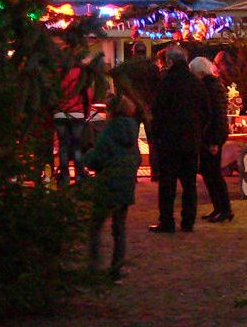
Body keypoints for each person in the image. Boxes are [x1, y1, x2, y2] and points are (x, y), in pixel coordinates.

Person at [148, 45, 209, 233]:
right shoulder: (196, 83)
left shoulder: (166, 83)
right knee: (189, 184)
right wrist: (198, 131)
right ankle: (188, 221)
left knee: (167, 185)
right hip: (190, 142)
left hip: (169, 142)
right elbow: (207, 112)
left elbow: (157, 112)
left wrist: (157, 136)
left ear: (170, 62)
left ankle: (167, 221)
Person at [83, 95, 141, 283]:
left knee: (95, 226)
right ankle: (116, 269)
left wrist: (88, 156)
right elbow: (137, 159)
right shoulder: (132, 132)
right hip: (125, 186)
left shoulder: (108, 132)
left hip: (107, 184)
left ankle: (93, 266)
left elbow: (96, 159)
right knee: (119, 228)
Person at [189, 57, 233, 223]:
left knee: (212, 173)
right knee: (210, 172)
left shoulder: (209, 88)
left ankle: (224, 208)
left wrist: (214, 140)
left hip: (212, 136)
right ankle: (220, 207)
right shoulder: (214, 86)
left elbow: (214, 116)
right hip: (212, 135)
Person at [109, 41, 161, 182]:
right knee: (153, 142)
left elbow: (120, 87)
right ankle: (156, 173)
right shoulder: (153, 68)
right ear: (145, 52)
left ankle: (132, 174)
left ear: (133, 52)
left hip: (131, 108)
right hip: (149, 108)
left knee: (132, 142)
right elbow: (158, 90)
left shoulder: (126, 67)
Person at [54, 60, 94, 187]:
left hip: (60, 113)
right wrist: (86, 112)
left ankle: (64, 177)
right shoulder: (80, 73)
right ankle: (79, 175)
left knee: (63, 145)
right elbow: (87, 94)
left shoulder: (57, 74)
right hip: (77, 112)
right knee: (77, 145)